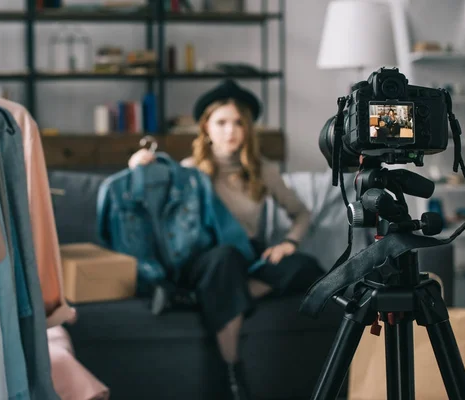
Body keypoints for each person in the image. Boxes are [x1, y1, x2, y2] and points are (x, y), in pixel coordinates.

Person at [127, 79, 324, 400]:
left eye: (238, 123)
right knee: (225, 257)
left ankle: (204, 298)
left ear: (248, 129)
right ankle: (232, 372)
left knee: (307, 267)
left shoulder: (262, 170)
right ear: (206, 128)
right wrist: (139, 167)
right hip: (207, 259)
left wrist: (289, 242)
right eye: (221, 122)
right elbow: (153, 211)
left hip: (248, 257)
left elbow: (302, 213)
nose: (230, 130)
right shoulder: (189, 170)